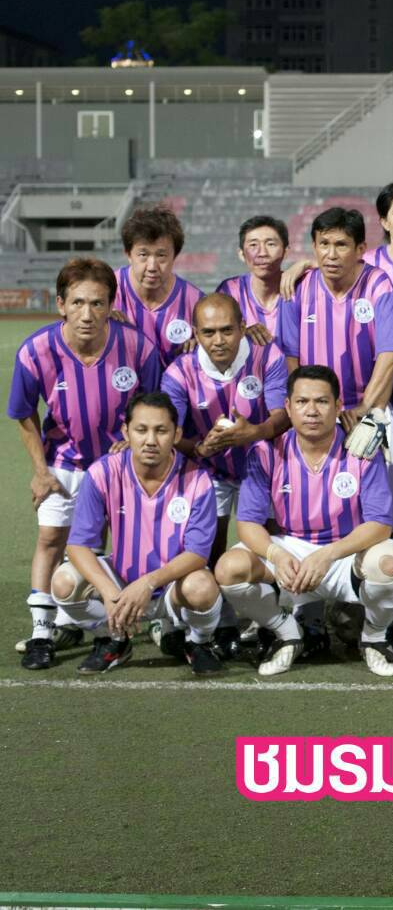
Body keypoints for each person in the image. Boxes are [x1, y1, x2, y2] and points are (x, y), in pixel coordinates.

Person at [11, 259, 161, 670]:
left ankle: (101, 621)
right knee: (50, 539)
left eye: (97, 303)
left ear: (111, 305)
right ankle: (42, 632)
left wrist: (131, 444)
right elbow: (24, 413)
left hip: (119, 464)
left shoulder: (138, 347)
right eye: (77, 302)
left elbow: (154, 407)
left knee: (111, 546)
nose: (87, 314)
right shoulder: (36, 350)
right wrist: (40, 471)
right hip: (63, 462)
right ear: (61, 304)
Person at [215, 365, 393, 677]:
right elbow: (248, 522)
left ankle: (374, 638)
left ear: (338, 405)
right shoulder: (265, 452)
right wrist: (277, 554)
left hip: (345, 554)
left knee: (390, 564)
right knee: (229, 568)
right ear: (288, 407)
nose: (312, 411)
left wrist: (328, 554)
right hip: (291, 552)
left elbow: (380, 524)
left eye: (321, 401)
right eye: (302, 402)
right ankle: (287, 634)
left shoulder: (362, 448)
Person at [53, 392, 223, 674]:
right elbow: (78, 544)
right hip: (120, 581)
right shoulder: (102, 473)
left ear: (177, 434)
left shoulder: (198, 480)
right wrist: (109, 593)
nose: (150, 440)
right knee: (63, 582)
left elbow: (197, 554)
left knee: (202, 586)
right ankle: (114, 639)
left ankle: (198, 643)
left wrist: (147, 583)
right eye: (141, 430)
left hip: (171, 588)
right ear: (126, 432)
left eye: (161, 431)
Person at [162, 293, 291, 559]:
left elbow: (283, 415)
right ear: (196, 333)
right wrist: (200, 449)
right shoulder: (179, 371)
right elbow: (167, 432)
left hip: (262, 466)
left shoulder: (268, 355)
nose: (219, 340)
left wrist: (254, 433)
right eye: (208, 332)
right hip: (208, 469)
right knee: (207, 553)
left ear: (242, 327)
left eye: (227, 330)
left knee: (271, 548)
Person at [276, 207, 393, 439]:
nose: (331, 254)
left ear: (360, 249)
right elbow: (290, 359)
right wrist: (302, 408)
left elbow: (389, 355)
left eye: (341, 245)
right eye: (324, 244)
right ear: (314, 247)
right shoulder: (296, 288)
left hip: (367, 412)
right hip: (313, 414)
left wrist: (364, 408)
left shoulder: (378, 284)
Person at [113, 204, 204, 364]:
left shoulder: (196, 301)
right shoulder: (107, 290)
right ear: (128, 254)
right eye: (143, 254)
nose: (152, 266)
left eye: (161, 255)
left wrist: (204, 345)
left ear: (175, 256)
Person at [216, 215, 289, 345]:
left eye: (271, 244)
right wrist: (242, 333)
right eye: (253, 245)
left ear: (285, 251)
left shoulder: (302, 287)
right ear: (241, 254)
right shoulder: (230, 290)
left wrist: (305, 264)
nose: (262, 253)